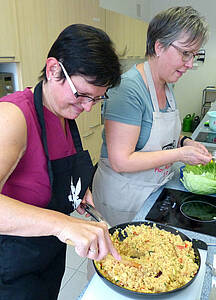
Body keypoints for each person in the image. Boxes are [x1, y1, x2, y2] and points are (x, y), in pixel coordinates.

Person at [0, 24, 121, 300]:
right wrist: (63, 224)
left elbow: (47, 179)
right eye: (82, 95)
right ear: (54, 69)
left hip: (49, 260)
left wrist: (77, 194)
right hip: (11, 271)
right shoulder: (13, 117)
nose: (88, 107)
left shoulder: (65, 115)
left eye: (98, 98)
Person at [92, 6, 212, 227]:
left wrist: (186, 143)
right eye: (185, 53)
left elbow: (161, 140)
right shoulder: (129, 89)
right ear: (159, 46)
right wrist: (180, 154)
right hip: (124, 197)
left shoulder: (167, 86)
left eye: (193, 55)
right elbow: (121, 161)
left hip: (153, 190)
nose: (189, 64)